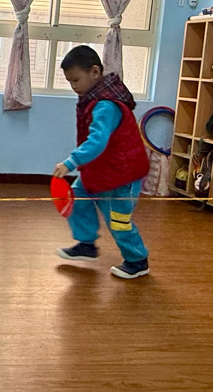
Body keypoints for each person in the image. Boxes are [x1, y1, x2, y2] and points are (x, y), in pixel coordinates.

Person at [53, 46, 152, 279]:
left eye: (76, 80)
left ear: (95, 72)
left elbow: (97, 141)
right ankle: (86, 244)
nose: (73, 86)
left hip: (123, 175)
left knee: (118, 222)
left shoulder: (106, 105)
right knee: (77, 197)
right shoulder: (92, 99)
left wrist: (71, 162)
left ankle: (137, 260)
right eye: (69, 81)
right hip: (101, 170)